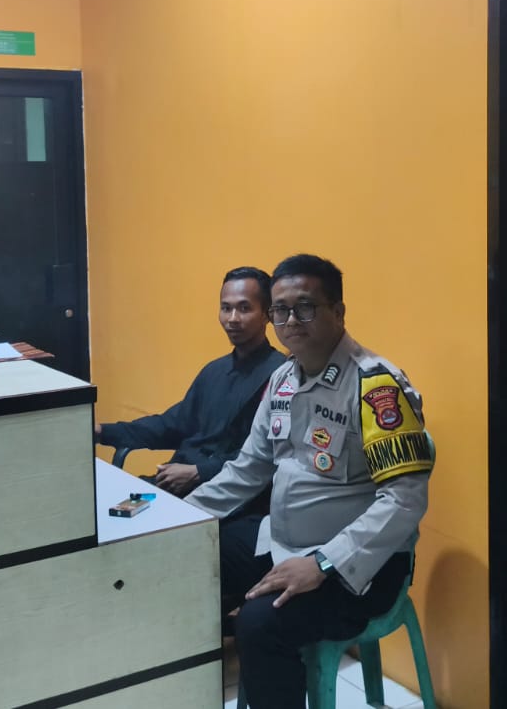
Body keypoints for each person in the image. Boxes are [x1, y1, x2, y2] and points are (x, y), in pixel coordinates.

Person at [184, 254, 434, 709]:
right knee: (190, 551)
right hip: (283, 543)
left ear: (338, 312)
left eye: (305, 307)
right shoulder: (283, 379)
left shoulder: (375, 387)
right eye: (280, 310)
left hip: (360, 567)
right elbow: (248, 468)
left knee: (259, 624)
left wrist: (323, 563)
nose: (290, 321)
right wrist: (180, 517)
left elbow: (405, 500)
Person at [94, 266, 283, 497]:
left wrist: (199, 472)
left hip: (227, 495)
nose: (232, 318)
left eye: (244, 308)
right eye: (226, 308)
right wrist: (104, 432)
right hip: (174, 484)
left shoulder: (279, 376)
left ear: (267, 314)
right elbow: (171, 425)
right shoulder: (214, 371)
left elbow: (264, 456)